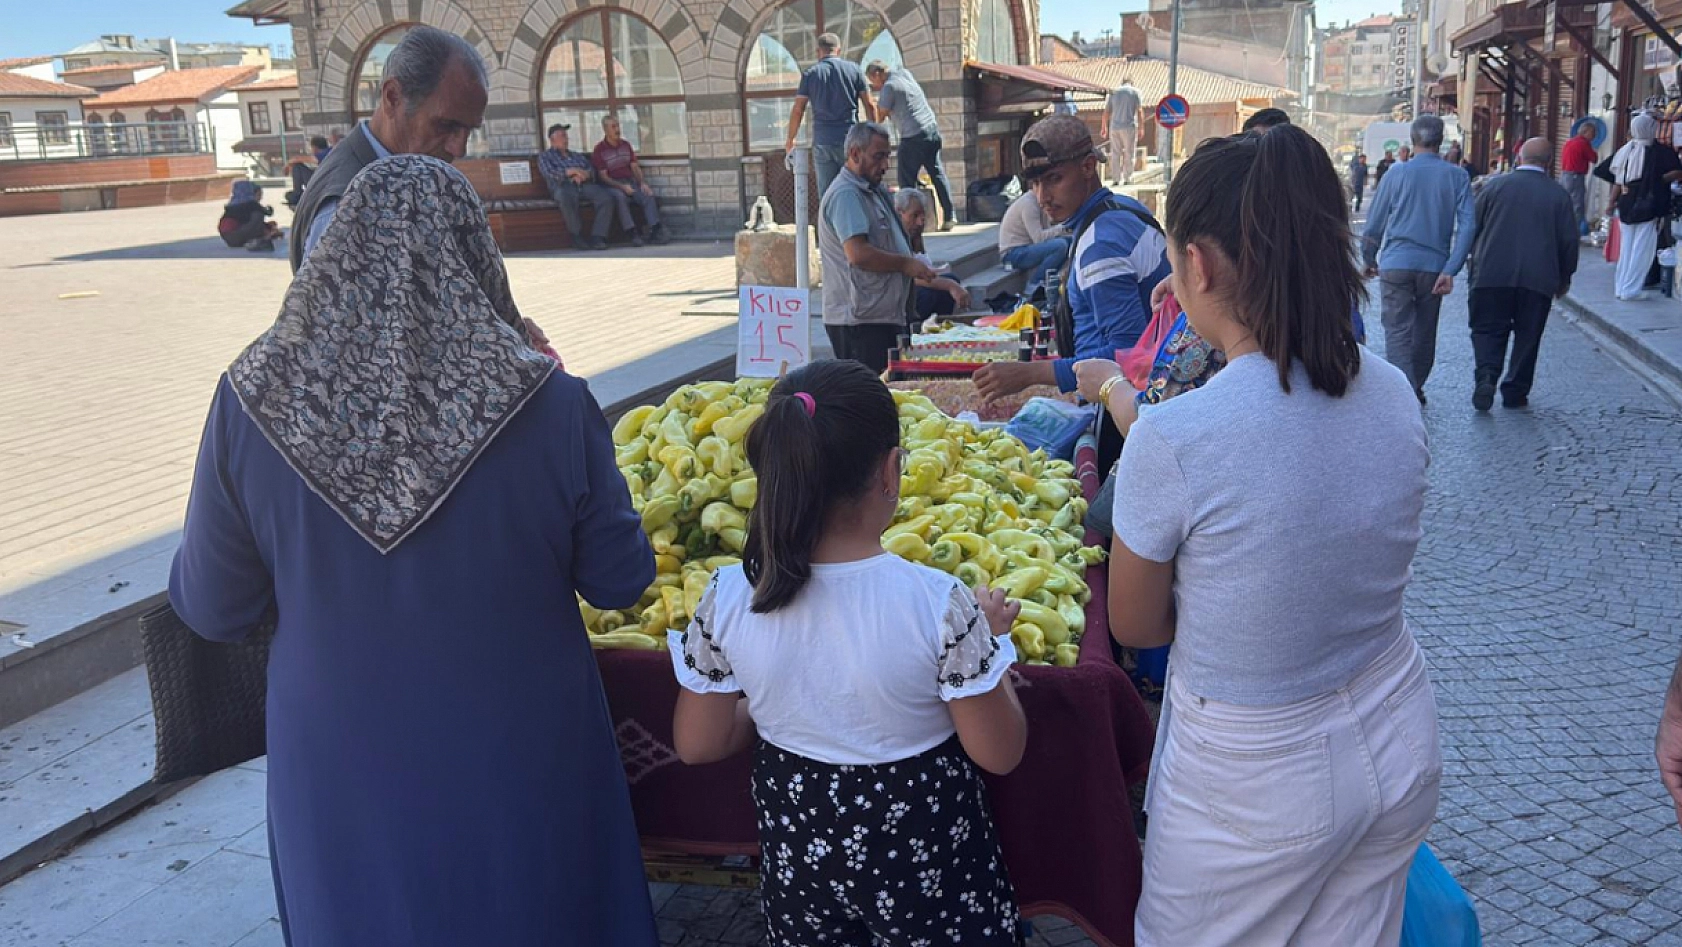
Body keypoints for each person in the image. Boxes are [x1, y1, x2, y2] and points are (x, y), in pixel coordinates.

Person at [170, 156, 658, 947]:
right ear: (474, 254)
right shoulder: (551, 402)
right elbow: (620, 577)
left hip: (340, 762)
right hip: (522, 753)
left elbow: (212, 606)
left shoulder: (249, 402)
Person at [1101, 125, 1437, 945]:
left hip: (1252, 772)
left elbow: (1135, 623)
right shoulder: (1393, 390)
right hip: (1396, 720)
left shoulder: (1176, 436)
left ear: (1198, 264)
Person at [669, 358, 1027, 947]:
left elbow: (698, 742)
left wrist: (780, 699)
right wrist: (991, 643)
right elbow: (1001, 751)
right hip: (925, 868)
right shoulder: (940, 602)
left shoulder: (728, 594)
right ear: (891, 470)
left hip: (802, 864)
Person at [973, 114, 1169, 469]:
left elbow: (1126, 354)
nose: (1042, 197)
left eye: (1054, 179)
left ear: (1088, 167)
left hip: (1125, 413)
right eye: (1034, 183)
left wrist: (1028, 374)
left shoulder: (1102, 244)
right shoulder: (1123, 208)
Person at [290, 26, 487, 271]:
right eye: (446, 125)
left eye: (470, 130)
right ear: (393, 97)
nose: (459, 149)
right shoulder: (344, 210)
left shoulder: (403, 177)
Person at [1363, 114, 1476, 404]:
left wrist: (1369, 257)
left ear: (1412, 140)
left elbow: (1375, 222)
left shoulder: (1396, 173)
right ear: (1441, 141)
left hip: (1396, 262)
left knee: (1397, 330)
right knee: (1425, 330)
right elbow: (1468, 226)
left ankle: (1405, 389)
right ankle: (1416, 384)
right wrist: (1452, 268)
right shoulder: (1457, 176)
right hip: (1434, 267)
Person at [1466, 137, 1579, 411]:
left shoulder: (1494, 188)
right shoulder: (1558, 195)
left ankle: (1487, 374)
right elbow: (1569, 241)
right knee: (1529, 335)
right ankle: (1515, 390)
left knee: (1487, 329)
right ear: (1549, 162)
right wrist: (1565, 276)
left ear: (1519, 158)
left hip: (1491, 273)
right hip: (1537, 277)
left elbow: (1472, 227)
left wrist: (1467, 261)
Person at [817, 122, 937, 372]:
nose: (885, 165)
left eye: (887, 156)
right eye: (878, 156)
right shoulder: (846, 194)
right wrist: (905, 264)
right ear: (855, 153)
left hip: (881, 314)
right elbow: (858, 254)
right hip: (859, 321)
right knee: (870, 389)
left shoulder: (872, 190)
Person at [868, 61, 955, 230]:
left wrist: (874, 104)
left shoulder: (889, 87)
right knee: (936, 173)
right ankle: (950, 215)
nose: (875, 85)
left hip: (913, 136)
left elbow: (880, 116)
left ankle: (909, 222)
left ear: (877, 74)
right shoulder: (904, 74)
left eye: (873, 81)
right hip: (931, 130)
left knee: (906, 180)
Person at [784, 33, 874, 197]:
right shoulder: (854, 70)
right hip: (850, 140)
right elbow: (870, 104)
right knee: (856, 189)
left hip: (823, 141)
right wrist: (873, 134)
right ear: (838, 50)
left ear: (818, 51)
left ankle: (828, 214)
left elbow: (798, 109)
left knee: (827, 194)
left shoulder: (811, 74)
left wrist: (791, 138)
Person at [1608, 112, 1682, 300]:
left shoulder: (1626, 150)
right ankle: (1631, 290)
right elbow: (1676, 172)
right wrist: (1660, 180)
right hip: (1649, 205)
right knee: (1642, 248)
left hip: (1626, 203)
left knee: (1626, 248)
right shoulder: (1660, 152)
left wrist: (1610, 202)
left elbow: (1618, 180)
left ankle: (1621, 287)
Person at [592, 115, 669, 247]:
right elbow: (603, 176)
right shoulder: (600, 150)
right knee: (620, 197)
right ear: (605, 129)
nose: (617, 129)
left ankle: (655, 229)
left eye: (618, 126)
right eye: (613, 127)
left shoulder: (625, 145)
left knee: (647, 195)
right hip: (612, 185)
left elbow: (634, 166)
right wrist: (622, 187)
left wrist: (642, 183)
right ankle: (632, 232)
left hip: (629, 181)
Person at [538, 122, 617, 251]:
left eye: (566, 136)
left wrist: (584, 174)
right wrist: (570, 172)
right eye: (562, 136)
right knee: (566, 197)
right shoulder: (545, 156)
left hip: (583, 184)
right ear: (552, 140)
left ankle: (598, 236)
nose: (566, 139)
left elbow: (591, 169)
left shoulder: (575, 155)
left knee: (605, 197)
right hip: (563, 186)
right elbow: (549, 173)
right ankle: (576, 235)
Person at [894, 189, 971, 319]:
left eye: (922, 216)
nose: (920, 222)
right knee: (929, 294)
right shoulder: (892, 238)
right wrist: (949, 285)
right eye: (914, 216)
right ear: (899, 213)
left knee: (950, 279)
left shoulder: (913, 237)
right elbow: (909, 278)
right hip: (897, 294)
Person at [998, 189, 1069, 293]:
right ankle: (1034, 285)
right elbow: (1038, 238)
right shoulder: (1029, 205)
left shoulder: (1040, 204)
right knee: (1060, 246)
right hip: (1012, 254)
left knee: (1069, 241)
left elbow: (1048, 232)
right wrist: (1063, 228)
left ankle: (1060, 282)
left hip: (1026, 248)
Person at [218, 180, 282, 251]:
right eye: (259, 195)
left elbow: (244, 221)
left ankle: (262, 235)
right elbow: (266, 213)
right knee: (258, 215)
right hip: (236, 234)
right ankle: (258, 239)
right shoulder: (251, 204)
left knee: (264, 221)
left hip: (228, 237)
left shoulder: (233, 204)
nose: (260, 198)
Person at [1103, 76, 1142, 184]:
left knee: (1115, 153)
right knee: (1129, 152)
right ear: (1131, 83)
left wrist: (1104, 126)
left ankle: (1116, 179)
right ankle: (1127, 178)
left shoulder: (1114, 92)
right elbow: (1139, 111)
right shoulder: (1135, 92)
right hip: (1129, 126)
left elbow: (1107, 111)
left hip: (1115, 127)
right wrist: (1141, 127)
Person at [1560, 122, 1597, 232]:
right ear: (1585, 132)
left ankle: (1562, 229)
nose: (1594, 136)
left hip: (1565, 175)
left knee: (1565, 203)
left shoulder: (1570, 142)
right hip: (1576, 176)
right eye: (1593, 133)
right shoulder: (1583, 143)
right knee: (1577, 205)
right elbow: (1594, 158)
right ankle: (1574, 231)